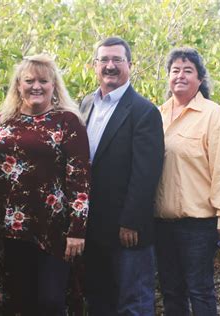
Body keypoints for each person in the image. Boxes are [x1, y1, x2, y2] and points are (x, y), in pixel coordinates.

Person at [0, 54, 91, 315]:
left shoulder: (68, 122)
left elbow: (79, 178)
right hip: (9, 228)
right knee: (20, 300)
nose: (36, 86)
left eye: (43, 81)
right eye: (29, 80)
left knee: (50, 302)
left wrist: (77, 229)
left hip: (53, 228)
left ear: (54, 86)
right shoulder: (3, 120)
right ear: (18, 85)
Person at [154, 47, 220, 316]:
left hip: (198, 223)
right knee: (171, 290)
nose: (180, 75)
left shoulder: (214, 116)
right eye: (175, 70)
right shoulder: (156, 114)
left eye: (187, 70)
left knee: (200, 290)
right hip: (161, 222)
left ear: (200, 79)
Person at [80, 37, 164, 315]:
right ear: (95, 65)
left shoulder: (144, 111)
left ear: (130, 65)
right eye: (104, 60)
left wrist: (131, 221)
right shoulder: (85, 104)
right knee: (98, 298)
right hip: (91, 227)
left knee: (134, 303)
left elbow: (146, 173)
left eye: (117, 59)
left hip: (126, 229)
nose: (110, 66)